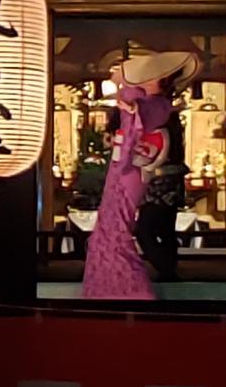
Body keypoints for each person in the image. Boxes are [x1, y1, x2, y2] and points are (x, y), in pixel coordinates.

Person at [83, 51, 197, 299]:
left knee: (122, 225)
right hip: (127, 166)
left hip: (135, 170)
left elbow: (135, 107)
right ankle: (116, 282)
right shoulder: (153, 103)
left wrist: (124, 88)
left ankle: (132, 284)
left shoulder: (156, 105)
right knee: (117, 224)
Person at [132, 53, 198, 283]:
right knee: (164, 228)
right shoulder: (164, 108)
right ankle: (168, 270)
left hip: (161, 179)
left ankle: (167, 269)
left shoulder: (158, 109)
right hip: (165, 178)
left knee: (146, 228)